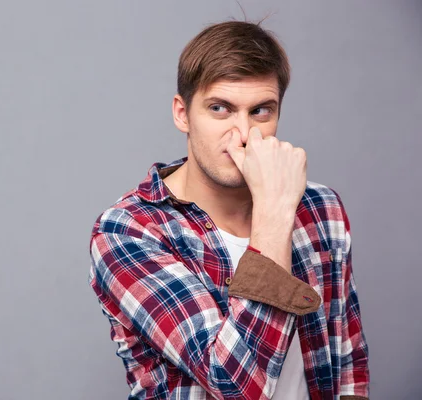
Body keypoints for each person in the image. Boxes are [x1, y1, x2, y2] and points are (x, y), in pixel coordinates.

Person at [88, 20, 369, 400]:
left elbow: (349, 367)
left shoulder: (321, 208)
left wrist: (282, 204)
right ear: (182, 114)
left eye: (261, 111)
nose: (241, 133)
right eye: (220, 108)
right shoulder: (130, 231)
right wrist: (274, 209)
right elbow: (236, 385)